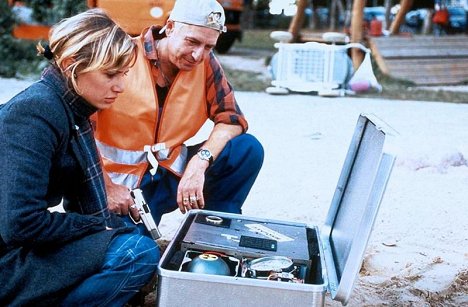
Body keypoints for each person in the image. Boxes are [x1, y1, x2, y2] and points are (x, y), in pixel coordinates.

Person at [0, 9, 159, 306]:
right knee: (134, 253)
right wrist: (97, 228)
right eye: (110, 74)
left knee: (135, 241)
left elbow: (89, 207)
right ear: (72, 64)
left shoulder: (72, 110)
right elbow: (20, 224)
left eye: (124, 74)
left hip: (16, 248)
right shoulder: (34, 113)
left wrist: (105, 228)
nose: (120, 86)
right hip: (6, 260)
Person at [93, 0, 264, 231]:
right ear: (171, 27)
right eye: (192, 41)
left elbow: (231, 119)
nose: (197, 55)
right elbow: (78, 131)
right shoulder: (122, 56)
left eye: (208, 46)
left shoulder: (206, 64)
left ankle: (215, 229)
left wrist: (200, 161)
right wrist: (108, 189)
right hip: (120, 186)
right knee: (136, 255)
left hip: (168, 175)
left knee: (246, 149)